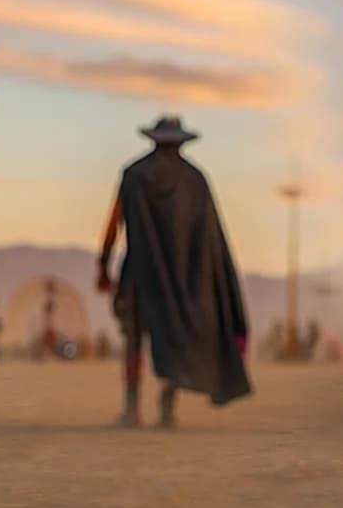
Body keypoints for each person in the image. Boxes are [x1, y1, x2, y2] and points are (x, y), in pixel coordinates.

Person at [96, 116, 251, 428]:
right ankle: (167, 409)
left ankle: (131, 410)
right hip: (183, 277)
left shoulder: (134, 174)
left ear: (153, 139)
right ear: (181, 142)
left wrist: (103, 266)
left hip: (139, 272)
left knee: (133, 339)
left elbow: (114, 224)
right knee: (176, 335)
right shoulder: (196, 179)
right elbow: (208, 236)